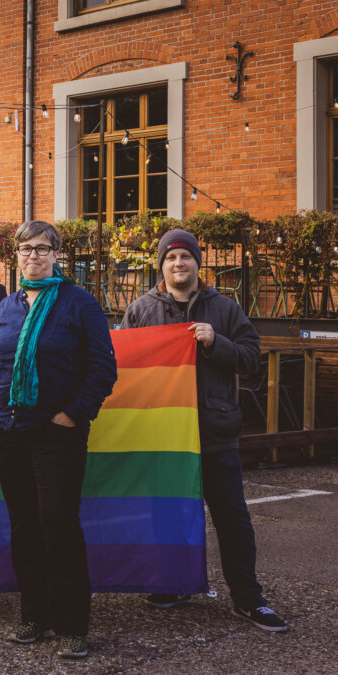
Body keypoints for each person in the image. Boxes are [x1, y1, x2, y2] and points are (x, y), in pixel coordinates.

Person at [121, 229, 287, 632]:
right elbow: (122, 364)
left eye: (186, 257)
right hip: (162, 435)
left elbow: (251, 359)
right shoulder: (141, 310)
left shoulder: (224, 309)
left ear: (198, 263)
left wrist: (216, 343)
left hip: (214, 432)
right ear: (161, 265)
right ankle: (175, 584)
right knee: (168, 514)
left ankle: (249, 599)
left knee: (232, 518)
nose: (179, 264)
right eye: (171, 258)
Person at [0, 220, 117, 659]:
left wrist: (71, 414)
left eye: (41, 248)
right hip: (6, 431)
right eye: (24, 249)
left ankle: (72, 625)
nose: (32, 256)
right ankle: (35, 616)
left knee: (59, 526)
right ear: (15, 256)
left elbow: (102, 368)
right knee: (24, 527)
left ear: (56, 255)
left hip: (56, 436)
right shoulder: (6, 306)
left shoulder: (79, 303)